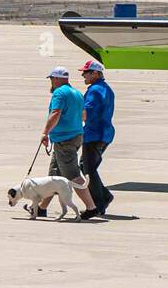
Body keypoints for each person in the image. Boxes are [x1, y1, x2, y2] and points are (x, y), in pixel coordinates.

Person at [34, 67, 93, 219]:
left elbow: (55, 113)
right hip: (75, 136)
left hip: (64, 140)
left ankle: (91, 207)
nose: (51, 82)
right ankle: (41, 208)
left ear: (57, 79)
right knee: (54, 176)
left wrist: (45, 132)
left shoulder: (59, 93)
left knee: (72, 174)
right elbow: (84, 116)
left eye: (52, 79)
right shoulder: (77, 93)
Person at [79, 59, 115, 217]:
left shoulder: (94, 91)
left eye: (86, 72)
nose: (83, 75)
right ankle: (104, 196)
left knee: (88, 169)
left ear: (95, 73)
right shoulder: (106, 89)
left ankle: (98, 204)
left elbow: (87, 113)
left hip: (94, 134)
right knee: (88, 167)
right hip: (105, 133)